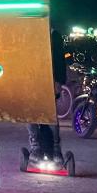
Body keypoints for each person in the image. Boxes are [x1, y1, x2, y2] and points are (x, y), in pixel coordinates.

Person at [26, 26, 67, 166]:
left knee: (50, 115)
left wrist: (59, 81)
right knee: (31, 114)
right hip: (32, 80)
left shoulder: (54, 35)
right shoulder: (29, 34)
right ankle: (35, 147)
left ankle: (56, 149)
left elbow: (60, 59)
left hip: (50, 80)